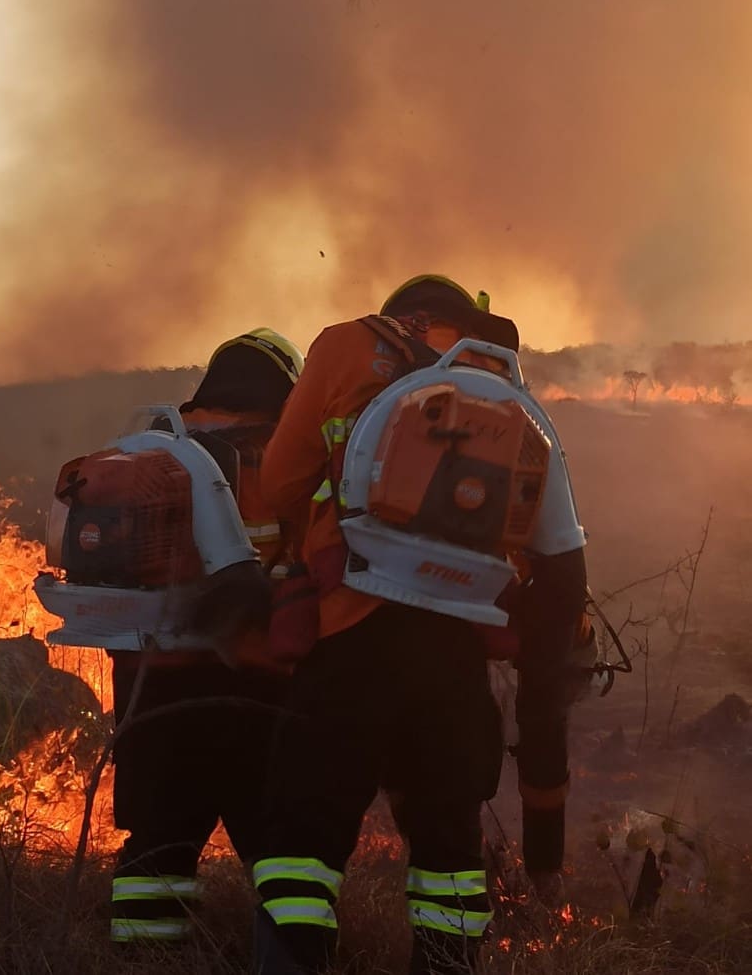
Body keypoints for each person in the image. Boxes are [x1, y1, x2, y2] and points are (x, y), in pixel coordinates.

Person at [250, 276, 589, 974]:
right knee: (449, 860)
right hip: (454, 661)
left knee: (301, 846)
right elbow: (557, 560)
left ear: (403, 312)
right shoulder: (510, 403)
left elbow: (280, 480)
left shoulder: (348, 346)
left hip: (348, 638)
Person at [109, 328, 305, 946]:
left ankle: (143, 960)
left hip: (152, 682)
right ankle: (290, 959)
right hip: (259, 682)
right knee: (283, 845)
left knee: (156, 841)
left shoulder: (150, 448)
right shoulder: (289, 452)